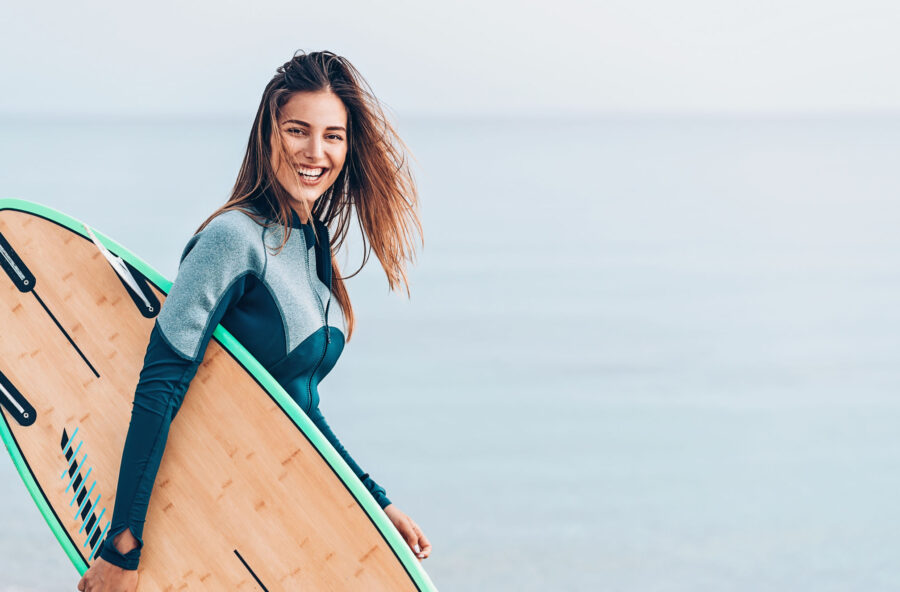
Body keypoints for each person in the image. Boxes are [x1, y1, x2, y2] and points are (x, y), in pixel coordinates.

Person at [77, 50, 431, 592]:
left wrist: (374, 500)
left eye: (333, 135)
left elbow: (301, 406)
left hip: (266, 515)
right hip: (204, 513)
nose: (316, 152)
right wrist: (122, 548)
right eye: (298, 130)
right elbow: (160, 386)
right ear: (268, 133)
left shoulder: (310, 245)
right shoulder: (231, 240)